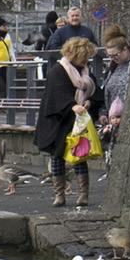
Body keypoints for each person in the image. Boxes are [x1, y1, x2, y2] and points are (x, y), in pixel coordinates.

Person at [35, 34, 102, 208]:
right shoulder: (58, 71)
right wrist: (72, 105)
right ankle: (59, 195)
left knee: (80, 155)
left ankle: (83, 195)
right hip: (59, 120)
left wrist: (90, 102)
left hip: (77, 120)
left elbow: (95, 92)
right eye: (84, 57)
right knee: (57, 156)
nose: (86, 60)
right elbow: (55, 94)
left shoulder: (85, 71)